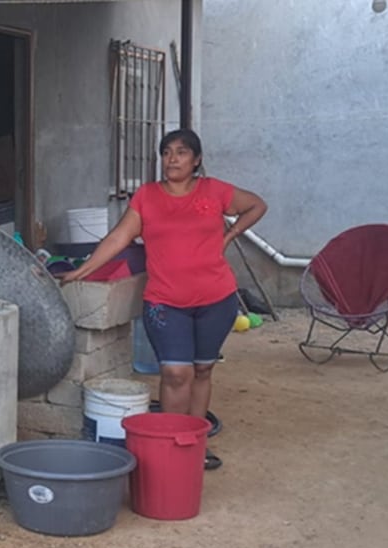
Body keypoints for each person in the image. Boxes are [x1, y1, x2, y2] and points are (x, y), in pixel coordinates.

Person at [60, 128, 267, 470]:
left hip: (217, 299)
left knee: (202, 369)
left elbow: (257, 205)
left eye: (181, 152)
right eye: (167, 152)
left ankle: (195, 446)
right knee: (174, 373)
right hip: (165, 301)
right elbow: (118, 238)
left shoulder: (214, 191)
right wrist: (81, 271)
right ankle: (172, 444)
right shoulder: (147, 197)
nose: (172, 159)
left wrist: (230, 235)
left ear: (196, 160)